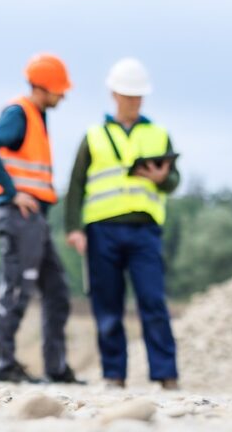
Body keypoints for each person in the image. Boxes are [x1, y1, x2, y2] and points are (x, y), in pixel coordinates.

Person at [63, 57, 180, 389]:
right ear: (114, 93)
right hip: (102, 230)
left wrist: (162, 178)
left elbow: (174, 180)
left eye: (139, 96)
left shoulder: (159, 134)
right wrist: (73, 228)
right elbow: (76, 185)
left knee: (153, 302)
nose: (134, 101)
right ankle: (114, 375)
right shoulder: (93, 136)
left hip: (145, 230)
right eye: (128, 95)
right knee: (108, 305)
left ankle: (166, 375)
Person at [0, 53, 82, 384]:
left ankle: (56, 368)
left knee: (56, 290)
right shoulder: (19, 113)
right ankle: (5, 366)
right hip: (19, 215)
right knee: (16, 289)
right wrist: (12, 191)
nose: (63, 95)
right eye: (59, 89)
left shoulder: (36, 116)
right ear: (44, 87)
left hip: (34, 219)